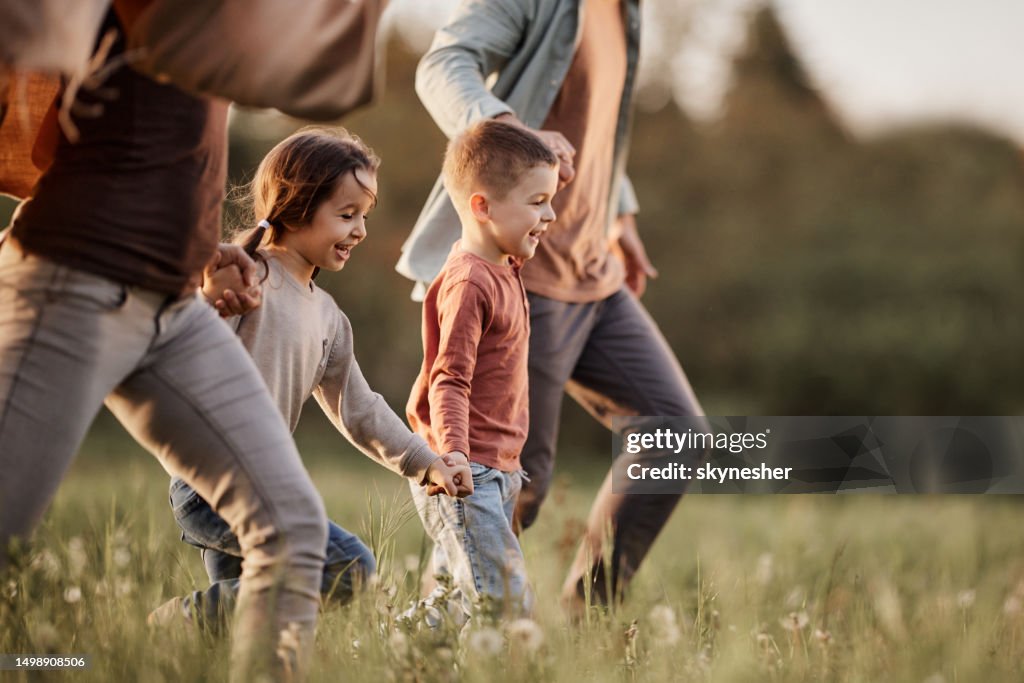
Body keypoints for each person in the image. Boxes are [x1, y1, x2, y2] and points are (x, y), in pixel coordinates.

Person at [0, 9, 332, 680]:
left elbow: (153, 140)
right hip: (74, 282)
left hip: (174, 305)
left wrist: (202, 246)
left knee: (293, 531)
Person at [396, 0, 709, 611]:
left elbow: (596, 127)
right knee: (509, 485)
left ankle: (587, 618)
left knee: (675, 433)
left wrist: (618, 214)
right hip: (521, 279)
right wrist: (509, 127)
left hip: (595, 271)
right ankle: (440, 641)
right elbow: (442, 63)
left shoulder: (627, 13)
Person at [151, 128, 473, 629]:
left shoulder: (328, 318)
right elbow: (183, 348)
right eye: (347, 215)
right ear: (296, 207)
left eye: (363, 215)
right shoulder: (246, 278)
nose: (361, 230)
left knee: (249, 627)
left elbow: (359, 409)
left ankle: (194, 632)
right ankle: (179, 622)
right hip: (211, 482)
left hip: (261, 482)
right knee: (347, 567)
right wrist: (208, 291)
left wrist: (425, 463)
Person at [406, 119, 558, 621]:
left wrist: (536, 193)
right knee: (506, 609)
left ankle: (391, 660)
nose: (551, 214)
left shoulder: (504, 264)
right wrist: (453, 454)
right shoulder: (470, 282)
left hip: (499, 469)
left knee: (451, 604)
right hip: (467, 470)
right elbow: (448, 378)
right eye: (539, 202)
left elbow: (519, 190)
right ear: (482, 207)